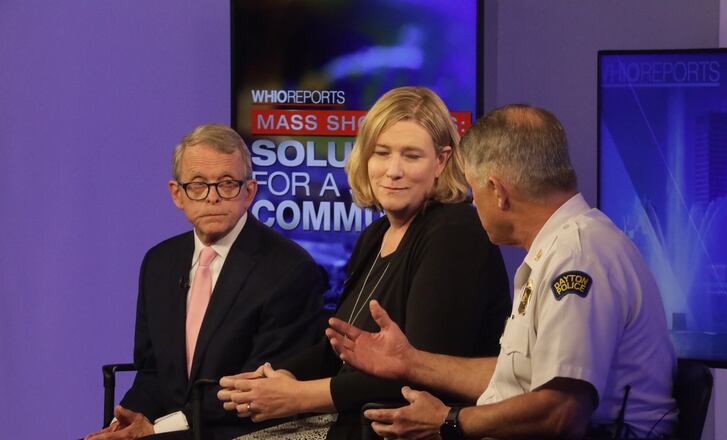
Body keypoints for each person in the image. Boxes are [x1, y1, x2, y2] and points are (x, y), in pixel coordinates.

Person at [327, 105, 678, 439]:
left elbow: (562, 412)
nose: (474, 203)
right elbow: (517, 379)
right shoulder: (561, 246)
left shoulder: (578, 257)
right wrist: (412, 364)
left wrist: (449, 422)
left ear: (497, 191)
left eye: (474, 190)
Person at [216, 86, 512, 439]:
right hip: (349, 423)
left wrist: (297, 397)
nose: (393, 170)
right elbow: (339, 347)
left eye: (411, 156)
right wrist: (280, 376)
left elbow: (416, 374)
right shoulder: (375, 234)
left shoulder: (455, 232)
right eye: (381, 153)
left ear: (442, 161)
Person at [85, 124, 327, 440]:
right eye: (198, 185)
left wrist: (159, 428)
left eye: (227, 184)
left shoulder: (290, 270)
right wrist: (131, 418)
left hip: (242, 432)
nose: (212, 198)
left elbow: (255, 391)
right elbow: (152, 370)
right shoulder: (159, 262)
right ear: (177, 194)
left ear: (249, 192)